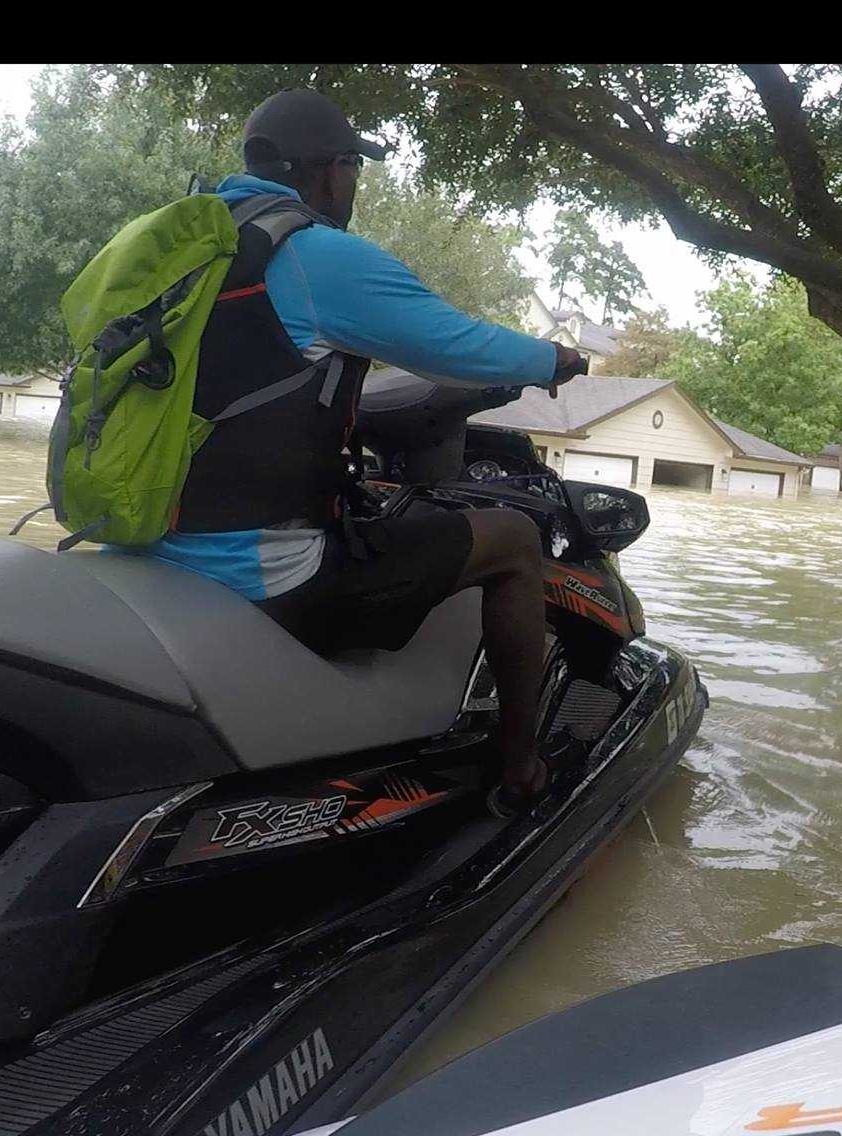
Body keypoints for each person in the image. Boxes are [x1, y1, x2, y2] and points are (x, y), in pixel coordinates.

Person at [141, 87, 586, 814]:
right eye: (354, 169)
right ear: (330, 171)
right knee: (513, 539)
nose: (353, 186)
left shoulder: (182, 248)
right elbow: (453, 343)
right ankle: (520, 767)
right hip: (265, 573)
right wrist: (553, 359)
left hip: (152, 542)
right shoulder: (312, 255)